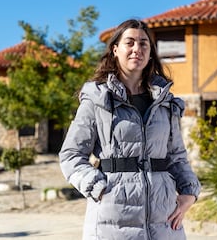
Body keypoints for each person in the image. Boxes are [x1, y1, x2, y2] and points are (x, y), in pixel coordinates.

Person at [59, 19, 201, 239]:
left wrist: (189, 192)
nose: (137, 49)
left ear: (151, 52)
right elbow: (71, 155)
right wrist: (99, 189)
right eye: (130, 42)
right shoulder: (97, 100)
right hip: (112, 219)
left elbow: (176, 156)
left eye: (144, 43)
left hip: (163, 219)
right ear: (115, 50)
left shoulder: (165, 102)